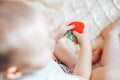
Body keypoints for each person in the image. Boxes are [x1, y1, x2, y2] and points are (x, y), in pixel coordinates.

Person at [0, 1, 92, 80]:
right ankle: (78, 62)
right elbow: (82, 77)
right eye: (43, 48)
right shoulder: (49, 77)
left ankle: (77, 61)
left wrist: (53, 35)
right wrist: (86, 45)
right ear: (15, 71)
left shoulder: (18, 63)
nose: (50, 44)